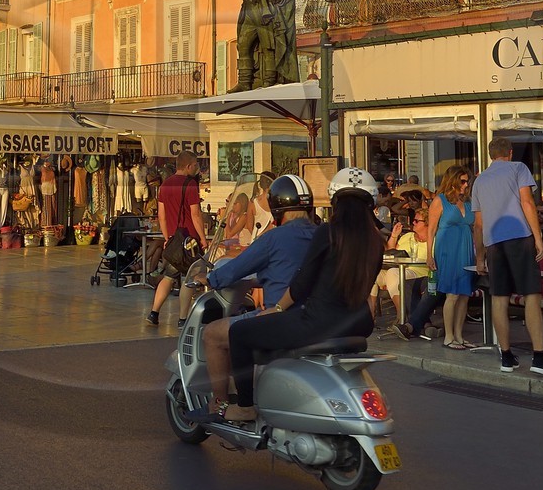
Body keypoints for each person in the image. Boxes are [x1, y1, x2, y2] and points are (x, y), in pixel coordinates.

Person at [219, 168, 385, 423]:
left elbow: (301, 285)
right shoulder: (376, 241)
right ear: (371, 202)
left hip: (318, 322)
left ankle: (244, 407)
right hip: (359, 324)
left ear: (334, 201)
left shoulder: (328, 232)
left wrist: (275, 310)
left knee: (239, 333)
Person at [197, 174, 319, 413]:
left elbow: (236, 268)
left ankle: (221, 405)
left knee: (212, 334)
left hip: (281, 318)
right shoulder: (321, 234)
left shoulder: (273, 238)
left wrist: (210, 278)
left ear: (275, 208)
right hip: (316, 319)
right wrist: (262, 280)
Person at [473, 138, 543, 376]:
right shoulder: (518, 168)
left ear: (491, 154)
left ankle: (506, 356)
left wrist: (480, 256)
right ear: (510, 153)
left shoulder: (480, 180)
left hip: (493, 242)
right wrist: (538, 238)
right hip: (518, 236)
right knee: (531, 295)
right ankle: (539, 356)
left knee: (499, 298)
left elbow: (478, 224)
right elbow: (527, 202)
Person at [393, 165, 476, 345]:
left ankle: (459, 336)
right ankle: (449, 337)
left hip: (465, 247)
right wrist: (430, 255)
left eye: (467, 181)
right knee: (452, 294)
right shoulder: (441, 200)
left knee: (464, 295)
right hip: (447, 248)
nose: (465, 184)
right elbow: (431, 230)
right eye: (462, 181)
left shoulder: (468, 201)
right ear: (453, 181)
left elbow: (476, 226)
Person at [148, 153, 207, 327]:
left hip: (174, 239)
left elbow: (161, 216)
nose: (197, 168)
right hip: (189, 241)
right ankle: (182, 319)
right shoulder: (190, 185)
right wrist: (203, 238)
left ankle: (154, 312)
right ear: (188, 166)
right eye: (196, 165)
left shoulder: (164, 185)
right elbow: (195, 215)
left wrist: (167, 238)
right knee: (188, 278)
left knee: (168, 276)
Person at [372, 203, 430, 322]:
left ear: (427, 224)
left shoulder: (433, 241)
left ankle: (401, 315)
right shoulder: (407, 236)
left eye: (416, 221)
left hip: (419, 272)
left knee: (393, 274)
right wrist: (394, 236)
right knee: (371, 273)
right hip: (398, 270)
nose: (413, 223)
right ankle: (370, 314)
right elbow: (390, 252)